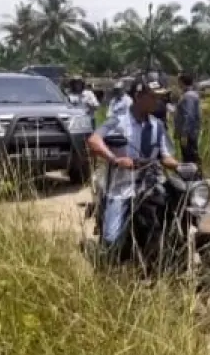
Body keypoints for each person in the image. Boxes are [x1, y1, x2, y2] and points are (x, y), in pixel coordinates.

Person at [86, 81, 178, 253]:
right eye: (153, 97)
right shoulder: (118, 121)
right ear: (138, 96)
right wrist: (115, 159)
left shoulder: (157, 125)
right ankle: (106, 260)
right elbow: (94, 141)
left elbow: (166, 157)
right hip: (122, 186)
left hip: (152, 184)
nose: (157, 101)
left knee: (175, 212)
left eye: (159, 98)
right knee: (112, 241)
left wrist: (179, 165)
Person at [173, 73, 201, 164]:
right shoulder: (189, 94)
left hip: (188, 134)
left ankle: (193, 176)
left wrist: (184, 134)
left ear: (182, 82)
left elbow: (189, 116)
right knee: (189, 156)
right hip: (189, 133)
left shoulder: (188, 96)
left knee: (189, 157)